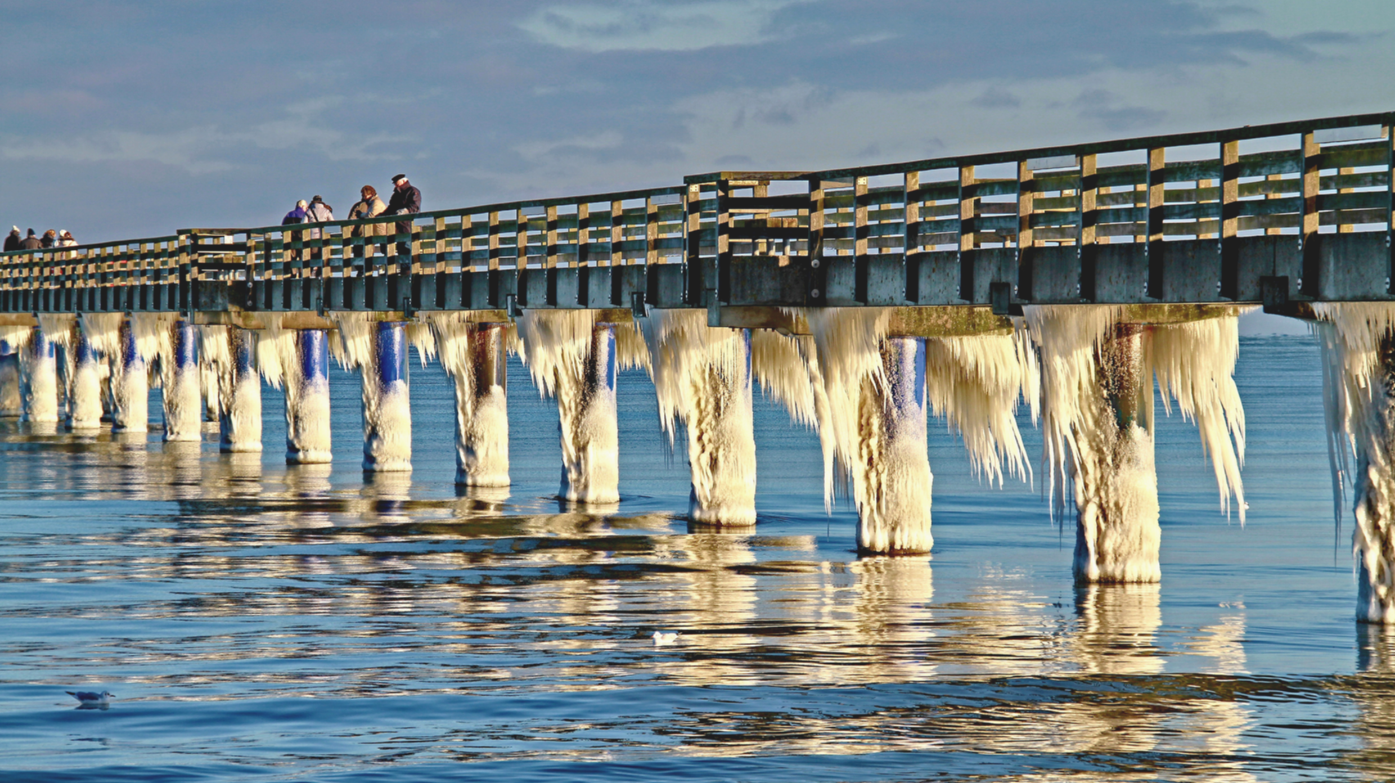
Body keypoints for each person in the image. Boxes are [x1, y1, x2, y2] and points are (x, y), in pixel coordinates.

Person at [347, 185, 388, 260]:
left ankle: (387, 268)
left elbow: (371, 215)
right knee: (384, 251)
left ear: (371, 194)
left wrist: (362, 215)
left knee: (385, 250)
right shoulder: (371, 203)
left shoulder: (376, 203)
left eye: (365, 195)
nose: (364, 197)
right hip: (377, 231)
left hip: (379, 230)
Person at [384, 174, 420, 258]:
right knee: (401, 252)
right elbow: (391, 208)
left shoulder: (413, 191)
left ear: (404, 181)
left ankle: (409, 270)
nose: (396, 185)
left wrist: (405, 211)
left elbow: (414, 207)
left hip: (409, 227)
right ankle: (405, 270)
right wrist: (379, 216)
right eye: (395, 183)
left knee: (408, 251)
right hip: (398, 228)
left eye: (397, 183)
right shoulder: (396, 195)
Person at [305, 195, 334, 262]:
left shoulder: (309, 211)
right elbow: (332, 223)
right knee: (323, 256)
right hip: (324, 236)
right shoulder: (326, 211)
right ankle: (321, 271)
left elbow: (303, 223)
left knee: (313, 256)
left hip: (312, 236)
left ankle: (313, 271)